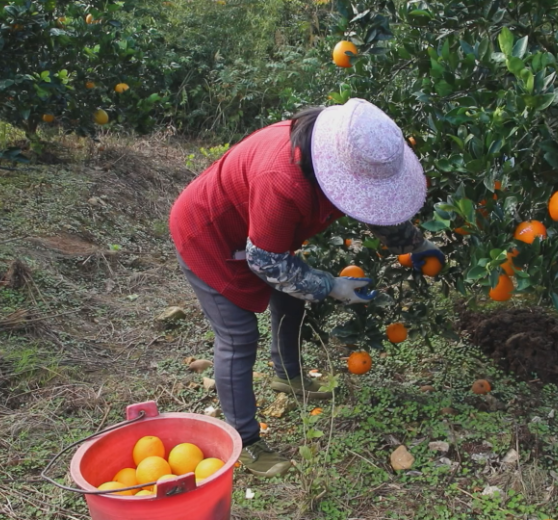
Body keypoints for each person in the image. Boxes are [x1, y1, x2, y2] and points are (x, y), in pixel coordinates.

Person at [169, 98, 444, 477]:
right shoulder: (282, 179)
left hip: (260, 237)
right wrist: (331, 285)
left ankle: (287, 376)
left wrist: (415, 245)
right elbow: (267, 260)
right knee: (237, 336)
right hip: (207, 237)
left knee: (291, 297)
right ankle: (242, 442)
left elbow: (370, 203)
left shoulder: (332, 156)